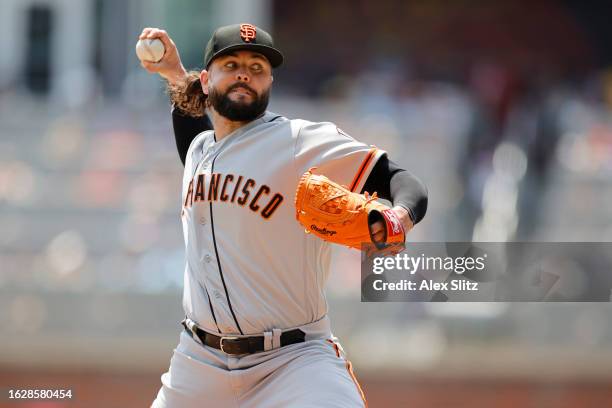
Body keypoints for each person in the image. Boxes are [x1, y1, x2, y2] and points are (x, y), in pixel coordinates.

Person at [139, 23, 428, 407]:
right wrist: (174, 72)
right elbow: (190, 126)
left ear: (269, 83)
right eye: (232, 64)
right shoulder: (200, 150)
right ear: (207, 80)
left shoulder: (297, 141)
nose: (245, 72)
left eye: (257, 67)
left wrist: (399, 218)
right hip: (199, 363)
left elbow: (402, 180)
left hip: (293, 360)